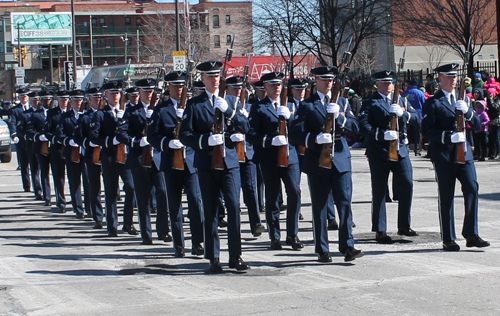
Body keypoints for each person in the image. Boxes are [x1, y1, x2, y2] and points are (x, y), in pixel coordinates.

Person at [179, 60, 250, 272]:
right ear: (202, 79)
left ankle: (235, 256)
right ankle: (214, 257)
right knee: (209, 209)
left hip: (229, 162)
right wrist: (204, 141)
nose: (214, 79)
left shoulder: (230, 101)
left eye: (217, 75)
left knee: (234, 208)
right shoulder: (194, 104)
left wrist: (229, 111)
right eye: (210, 76)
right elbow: (185, 135)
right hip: (206, 163)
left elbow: (246, 126)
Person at [290, 66, 364, 262]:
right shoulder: (307, 105)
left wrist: (341, 118)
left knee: (345, 204)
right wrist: (314, 139)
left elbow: (357, 127)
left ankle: (348, 245)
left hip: (340, 158)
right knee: (320, 207)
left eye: (331, 79)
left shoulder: (342, 102)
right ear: (316, 81)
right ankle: (322, 248)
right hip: (317, 161)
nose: (328, 83)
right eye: (324, 79)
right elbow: (295, 134)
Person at [421, 63, 490, 251]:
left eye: (454, 76)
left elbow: (477, 125)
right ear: (440, 79)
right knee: (447, 195)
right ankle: (448, 238)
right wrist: (447, 136)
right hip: (443, 155)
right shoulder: (433, 102)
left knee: (472, 188)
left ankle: (471, 234)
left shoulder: (463, 100)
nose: (453, 80)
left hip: (464, 154)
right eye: (448, 76)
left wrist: (468, 112)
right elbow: (426, 130)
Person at [358, 70, 420, 243]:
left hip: (400, 149)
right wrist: (381, 134)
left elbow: (418, 118)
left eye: (390, 82)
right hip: (379, 151)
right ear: (376, 84)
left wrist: (404, 114)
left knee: (407, 184)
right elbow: (362, 125)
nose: (388, 85)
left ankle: (404, 225)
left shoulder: (402, 100)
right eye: (384, 82)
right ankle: (380, 229)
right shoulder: (370, 102)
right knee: (379, 190)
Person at [148, 71, 204, 256]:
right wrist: (167, 143)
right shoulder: (161, 109)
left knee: (196, 203)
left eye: (182, 86)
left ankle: (197, 242)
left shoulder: (193, 106)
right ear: (168, 87)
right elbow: (152, 136)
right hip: (171, 162)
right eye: (175, 86)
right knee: (175, 205)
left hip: (191, 161)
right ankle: (179, 244)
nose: (179, 89)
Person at [247, 72, 303, 251]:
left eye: (279, 84)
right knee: (273, 197)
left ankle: (292, 234)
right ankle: (275, 236)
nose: (276, 87)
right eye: (272, 84)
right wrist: (269, 140)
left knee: (294, 192)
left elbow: (301, 128)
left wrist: (291, 118)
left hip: (290, 155)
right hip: (269, 157)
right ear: (265, 86)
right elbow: (251, 134)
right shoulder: (258, 107)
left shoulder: (292, 105)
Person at [116, 78, 171, 245]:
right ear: (139, 92)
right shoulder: (132, 112)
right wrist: (136, 141)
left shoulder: (161, 110)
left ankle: (163, 230)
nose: (149, 93)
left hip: (159, 158)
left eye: (151, 90)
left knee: (163, 194)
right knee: (143, 198)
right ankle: (146, 234)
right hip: (140, 158)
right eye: (145, 90)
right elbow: (121, 133)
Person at [90, 80, 137, 237]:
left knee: (131, 187)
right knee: (111, 191)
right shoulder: (100, 114)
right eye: (112, 93)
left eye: (118, 93)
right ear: (106, 96)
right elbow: (95, 137)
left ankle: (128, 223)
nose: (116, 95)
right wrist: (111, 141)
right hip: (109, 156)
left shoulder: (127, 112)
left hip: (126, 156)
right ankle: (112, 225)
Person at [224, 75, 265, 237]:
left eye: (240, 88)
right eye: (234, 88)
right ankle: (231, 220)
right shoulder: (222, 105)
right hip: (230, 152)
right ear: (227, 89)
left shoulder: (249, 105)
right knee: (232, 192)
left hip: (247, 152)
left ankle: (256, 223)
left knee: (250, 187)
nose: (238, 91)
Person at [56, 89, 90, 219]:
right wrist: (69, 141)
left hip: (86, 152)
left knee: (88, 181)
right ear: (71, 101)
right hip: (72, 152)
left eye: (80, 99)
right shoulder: (65, 117)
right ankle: (78, 208)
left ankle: (89, 207)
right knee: (74, 181)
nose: (78, 102)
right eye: (75, 100)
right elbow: (59, 134)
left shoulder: (87, 115)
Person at [74, 87, 104, 228]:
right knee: (94, 186)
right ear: (89, 99)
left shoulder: (108, 114)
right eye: (94, 97)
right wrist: (87, 143)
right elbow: (78, 137)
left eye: (99, 97)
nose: (97, 99)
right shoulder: (84, 117)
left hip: (109, 153)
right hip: (92, 154)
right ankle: (97, 215)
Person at [25, 90, 53, 206]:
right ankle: (47, 196)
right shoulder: (35, 115)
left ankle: (60, 196)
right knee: (44, 171)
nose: (47, 101)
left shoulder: (56, 113)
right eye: (45, 99)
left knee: (57, 173)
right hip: (41, 145)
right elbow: (29, 131)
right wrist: (38, 136)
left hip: (54, 145)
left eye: (49, 99)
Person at [46, 90, 69, 213]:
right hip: (57, 148)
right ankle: (61, 201)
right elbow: (47, 131)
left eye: (66, 99)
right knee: (58, 176)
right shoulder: (52, 113)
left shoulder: (73, 112)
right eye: (62, 99)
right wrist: (55, 138)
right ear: (58, 100)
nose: (64, 101)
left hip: (71, 148)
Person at [10, 87, 33, 193]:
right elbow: (12, 123)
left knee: (34, 163)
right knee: (24, 164)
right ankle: (27, 186)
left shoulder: (33, 108)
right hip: (21, 140)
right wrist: (14, 135)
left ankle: (37, 185)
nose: (24, 98)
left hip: (32, 139)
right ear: (19, 97)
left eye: (26, 96)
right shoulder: (15, 110)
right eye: (22, 96)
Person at [401, 78, 426, 156]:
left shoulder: (404, 93)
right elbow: (424, 104)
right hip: (418, 115)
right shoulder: (420, 93)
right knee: (417, 133)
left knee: (407, 133)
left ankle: (406, 148)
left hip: (406, 115)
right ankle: (417, 149)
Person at [486, 88, 500, 159]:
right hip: (490, 122)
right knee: (491, 138)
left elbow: (494, 107)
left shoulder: (497, 100)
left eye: (490, 93)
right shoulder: (487, 101)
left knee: (496, 138)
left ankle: (498, 153)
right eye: (488, 93)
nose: (489, 95)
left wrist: (491, 100)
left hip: (497, 122)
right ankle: (492, 153)